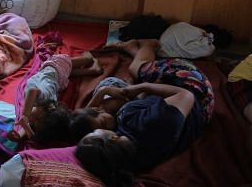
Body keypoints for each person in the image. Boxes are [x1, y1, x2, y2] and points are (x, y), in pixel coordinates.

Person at [69, 39, 214, 141]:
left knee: (137, 74)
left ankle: (134, 49)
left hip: (195, 101)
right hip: (194, 87)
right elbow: (184, 95)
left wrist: (104, 92)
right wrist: (141, 87)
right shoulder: (133, 120)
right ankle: (147, 45)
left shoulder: (122, 127)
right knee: (136, 69)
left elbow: (91, 114)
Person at [75, 82, 206, 187]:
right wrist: (143, 86)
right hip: (190, 89)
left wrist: (102, 91)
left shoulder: (124, 157)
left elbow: (85, 118)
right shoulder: (153, 124)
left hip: (146, 100)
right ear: (113, 138)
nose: (94, 130)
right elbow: (187, 95)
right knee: (140, 67)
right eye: (94, 132)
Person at [11, 53, 102, 142]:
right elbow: (32, 90)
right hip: (57, 67)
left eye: (33, 123)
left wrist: (19, 135)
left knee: (69, 72)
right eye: (36, 119)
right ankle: (90, 58)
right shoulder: (43, 98)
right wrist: (25, 115)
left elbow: (29, 124)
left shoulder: (45, 110)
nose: (31, 120)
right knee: (82, 60)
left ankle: (93, 71)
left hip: (59, 80)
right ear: (48, 108)